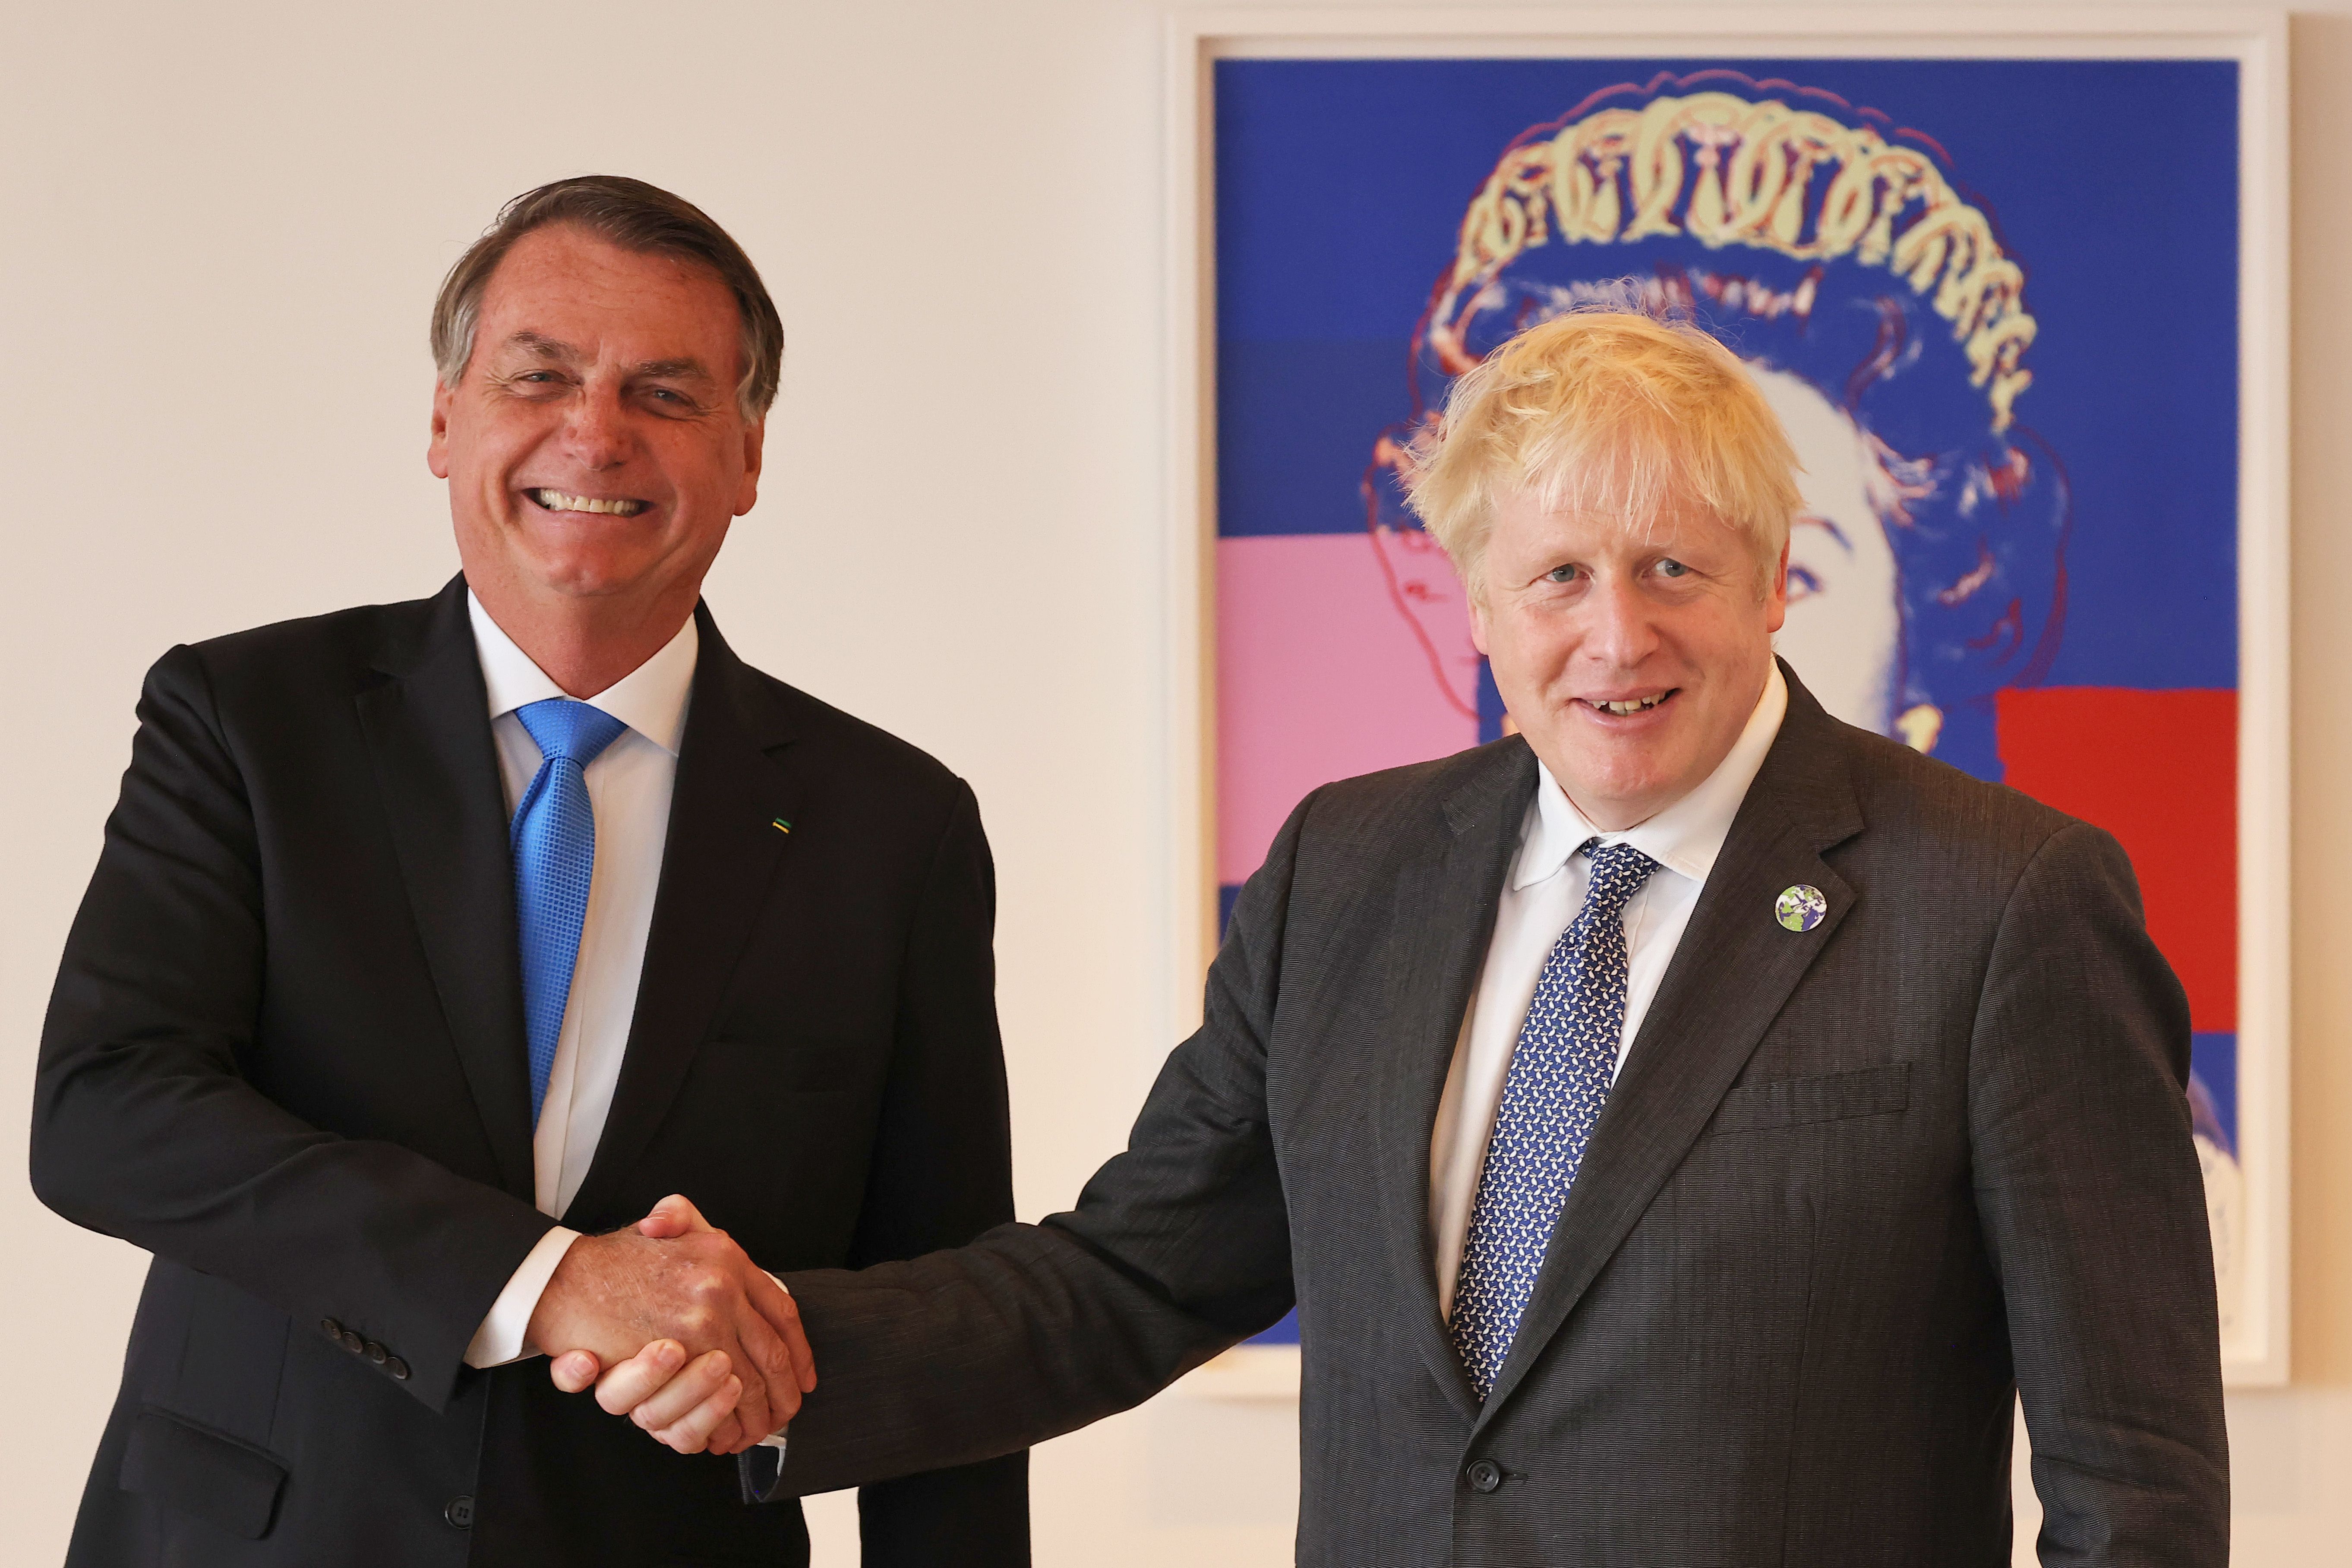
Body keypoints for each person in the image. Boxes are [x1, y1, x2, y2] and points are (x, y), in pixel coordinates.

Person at [592, 309, 2228, 1562]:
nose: (1615, 634)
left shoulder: (2006, 898)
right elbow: (1130, 1276)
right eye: (1558, 574)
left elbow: (2133, 1473)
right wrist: (781, 1348)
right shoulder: (1348, 867)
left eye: (1675, 566)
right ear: (1477, 599)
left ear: (1772, 578)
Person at [31, 176, 1028, 1566]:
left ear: (748, 455)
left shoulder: (894, 825)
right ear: (445, 422)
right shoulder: (248, 721)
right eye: (540, 375)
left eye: (667, 394)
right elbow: (108, 1111)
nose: (595, 432)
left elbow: (946, 1323)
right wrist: (554, 1281)